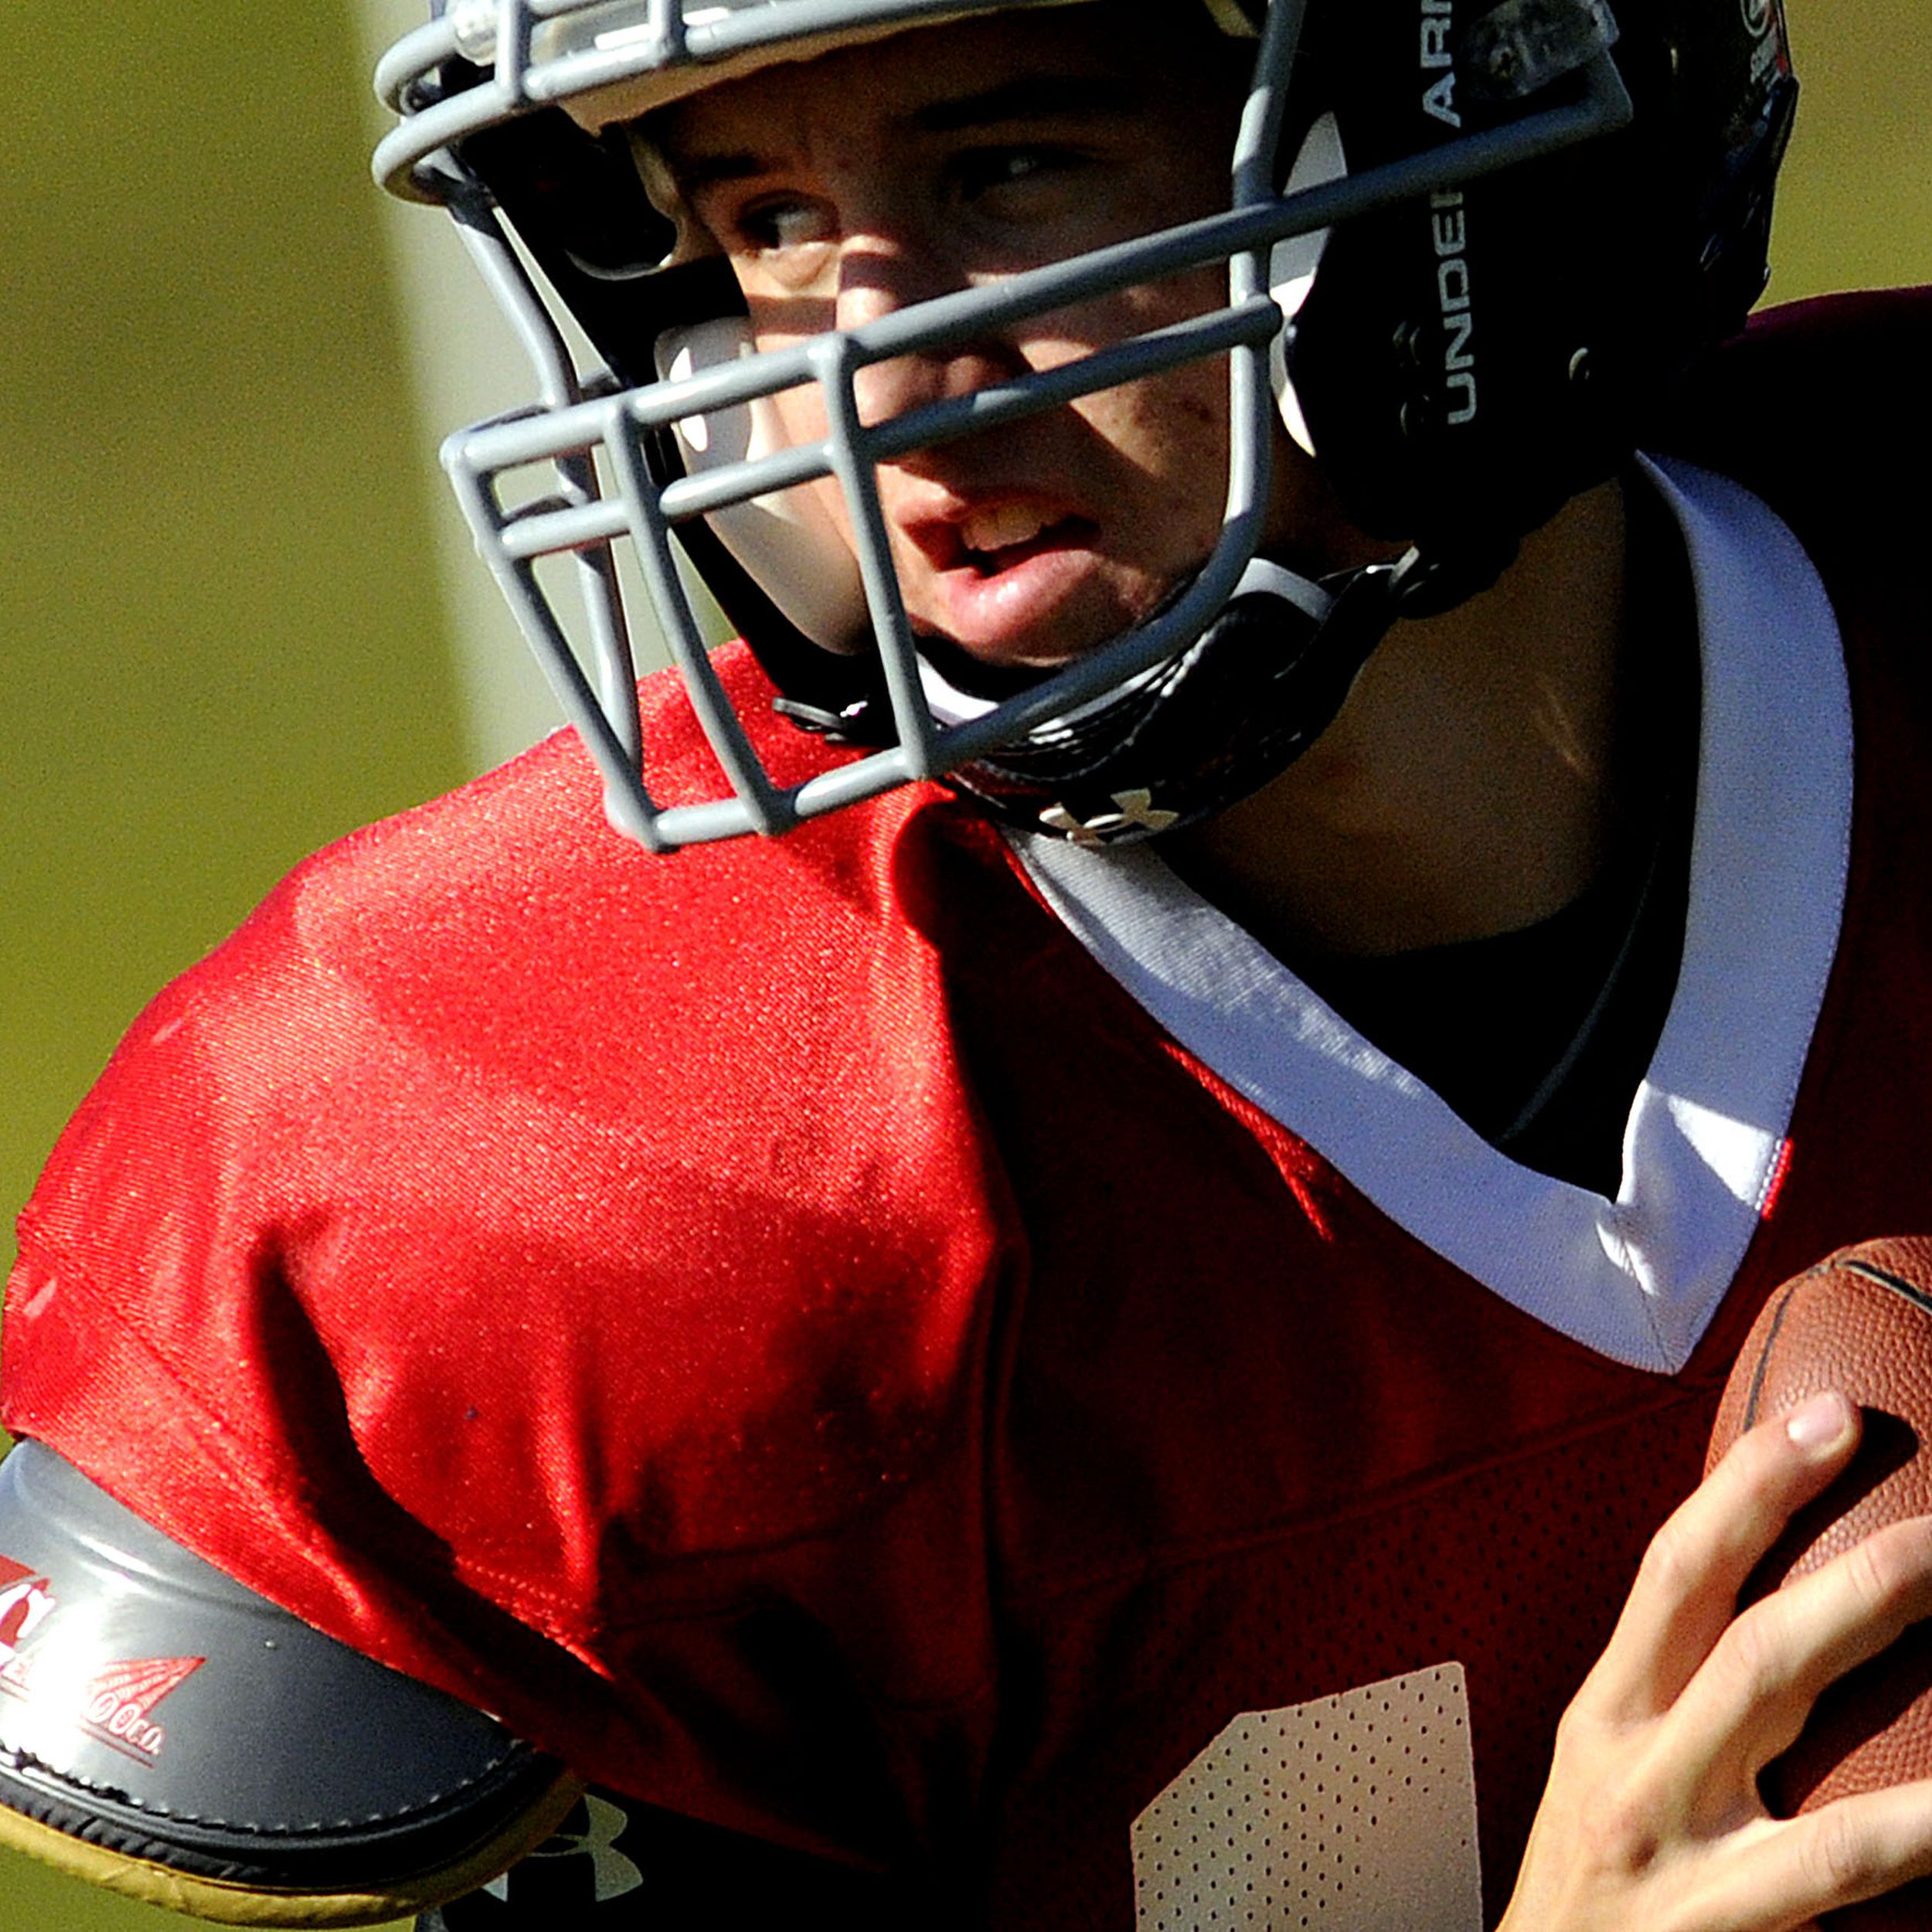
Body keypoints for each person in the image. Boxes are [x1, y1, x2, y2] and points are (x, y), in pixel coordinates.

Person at [1, 0, 1930, 1926]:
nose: (865, 372)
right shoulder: (558, 1165)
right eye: (760, 225)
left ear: (1493, 111)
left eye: (1003, 175)